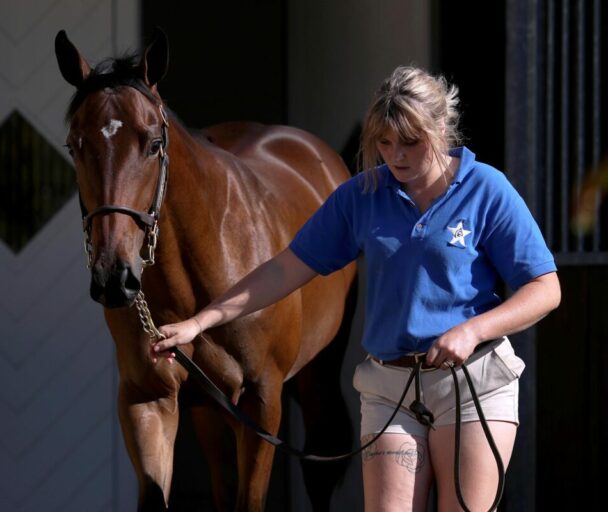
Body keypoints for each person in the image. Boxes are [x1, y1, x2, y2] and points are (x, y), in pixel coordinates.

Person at [153, 66, 561, 511]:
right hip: (390, 388)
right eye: (384, 143)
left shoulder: (487, 189)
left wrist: (473, 331)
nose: (396, 156)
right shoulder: (361, 195)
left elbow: (545, 288)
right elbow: (283, 270)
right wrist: (200, 321)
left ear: (441, 128)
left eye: (410, 142)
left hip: (474, 382)